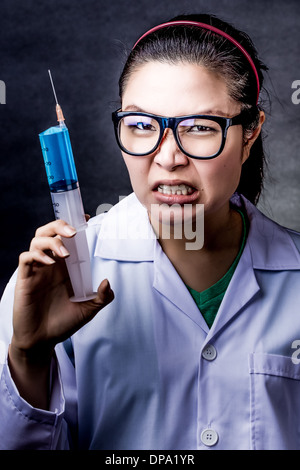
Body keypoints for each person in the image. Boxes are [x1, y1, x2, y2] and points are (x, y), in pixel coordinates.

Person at [1, 12, 300, 451]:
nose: (168, 157)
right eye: (142, 125)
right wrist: (28, 356)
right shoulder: (58, 276)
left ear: (250, 132)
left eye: (200, 127)